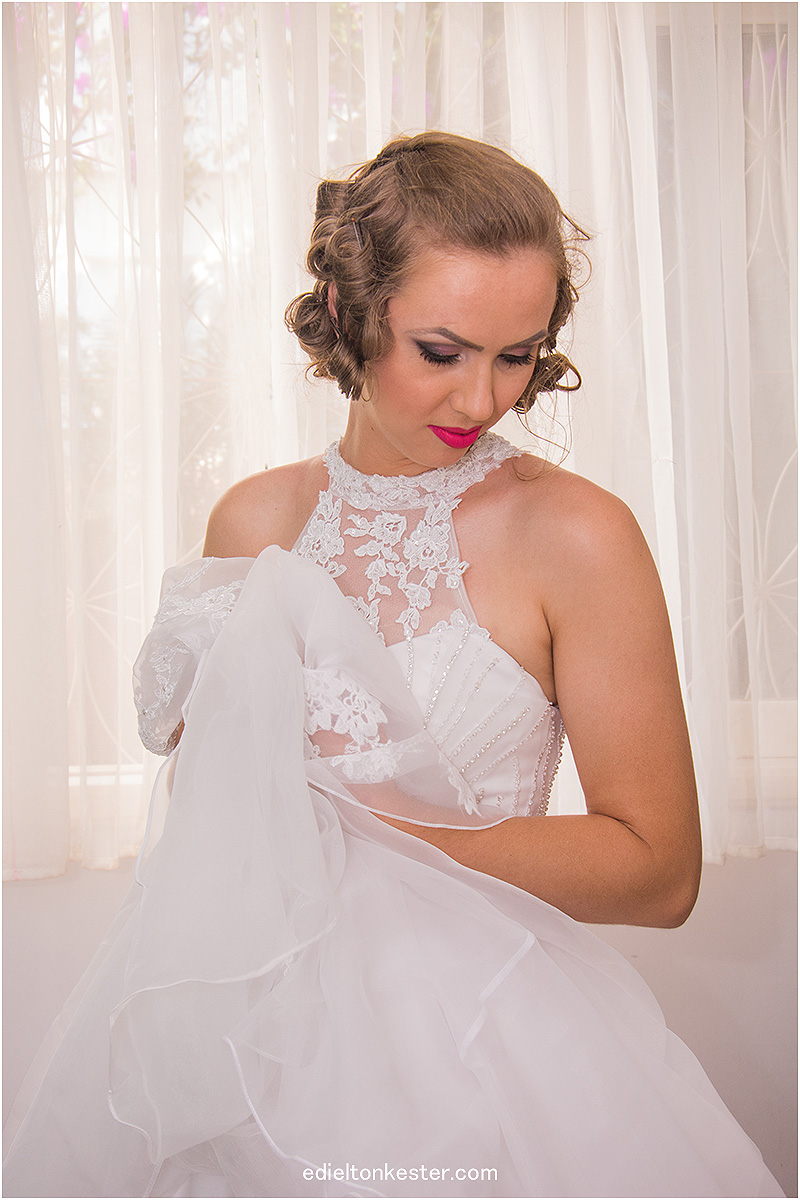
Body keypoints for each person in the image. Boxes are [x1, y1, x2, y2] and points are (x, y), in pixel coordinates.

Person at [3, 132, 782, 1198]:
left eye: (517, 355)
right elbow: (208, 828)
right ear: (347, 309)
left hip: (481, 1053)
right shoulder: (251, 521)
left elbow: (659, 872)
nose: (482, 401)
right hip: (249, 1052)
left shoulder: (576, 535)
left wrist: (377, 832)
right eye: (443, 351)